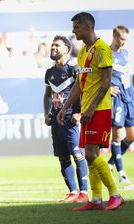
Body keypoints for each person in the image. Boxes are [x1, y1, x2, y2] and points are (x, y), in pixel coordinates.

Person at [57, 12, 124, 210]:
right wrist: (66, 107)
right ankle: (96, 199)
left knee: (93, 154)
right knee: (89, 154)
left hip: (99, 109)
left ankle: (115, 194)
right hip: (87, 109)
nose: (73, 31)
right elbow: (79, 83)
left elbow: (105, 82)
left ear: (87, 28)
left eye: (76, 27)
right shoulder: (83, 52)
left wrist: (92, 107)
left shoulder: (102, 49)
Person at [43, 35, 89, 203]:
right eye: (52, 45)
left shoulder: (74, 68)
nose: (53, 47)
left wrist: (80, 113)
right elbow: (47, 95)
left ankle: (84, 192)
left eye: (57, 45)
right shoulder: (49, 72)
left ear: (66, 49)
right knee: (62, 156)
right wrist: (46, 113)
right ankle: (73, 192)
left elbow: (84, 91)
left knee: (77, 154)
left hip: (71, 119)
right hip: (56, 119)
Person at [107, 26, 133, 183]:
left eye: (125, 39)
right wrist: (108, 87)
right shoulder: (106, 54)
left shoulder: (126, 53)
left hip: (129, 96)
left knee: (132, 136)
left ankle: (110, 163)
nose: (123, 42)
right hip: (116, 98)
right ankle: (121, 172)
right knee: (117, 135)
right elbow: (99, 74)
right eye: (121, 39)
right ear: (115, 37)